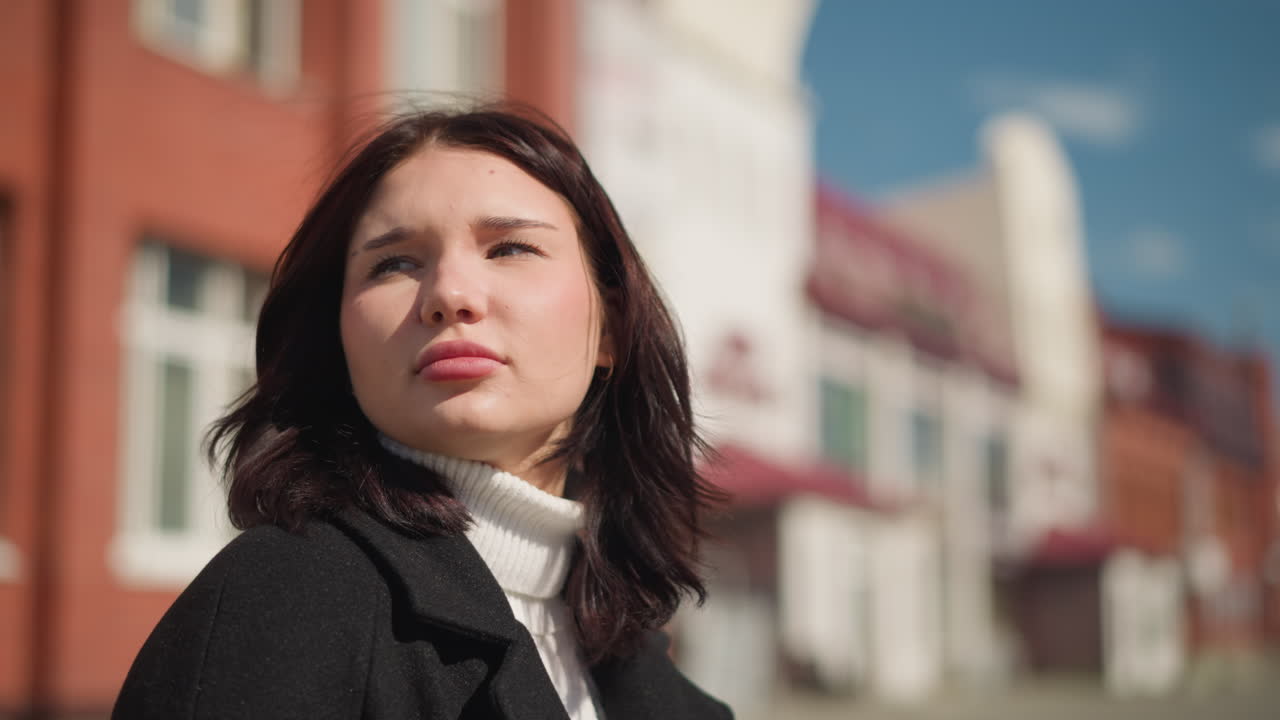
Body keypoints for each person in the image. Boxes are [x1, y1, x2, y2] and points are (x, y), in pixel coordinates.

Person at [112, 106, 732, 720]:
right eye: (394, 263)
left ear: (611, 330)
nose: (449, 296)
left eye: (510, 248)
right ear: (339, 338)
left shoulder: (639, 662)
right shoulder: (283, 600)